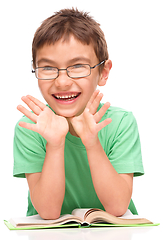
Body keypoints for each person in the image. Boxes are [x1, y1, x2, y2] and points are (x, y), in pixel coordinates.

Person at [13, 8, 144, 220]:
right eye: (47, 68)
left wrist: (92, 143)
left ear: (103, 72)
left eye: (78, 66)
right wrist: (55, 145)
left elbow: (118, 206)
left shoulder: (120, 122)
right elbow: (48, 212)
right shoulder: (31, 127)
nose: (62, 82)